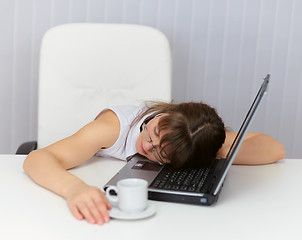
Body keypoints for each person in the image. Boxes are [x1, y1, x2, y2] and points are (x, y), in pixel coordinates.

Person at [23, 101, 285, 225]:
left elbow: (274, 149)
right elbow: (37, 158)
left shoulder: (190, 136)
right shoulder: (114, 128)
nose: (147, 145)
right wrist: (74, 189)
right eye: (155, 132)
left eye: (162, 154)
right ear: (168, 113)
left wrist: (215, 149)